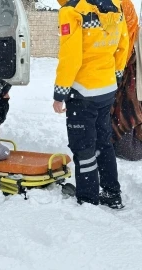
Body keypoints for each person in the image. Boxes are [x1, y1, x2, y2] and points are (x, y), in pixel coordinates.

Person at [53, 0, 129, 209]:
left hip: (83, 92)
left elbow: (71, 56)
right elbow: (123, 43)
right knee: (103, 142)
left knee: (84, 146)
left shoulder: (72, 11)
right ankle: (112, 193)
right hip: (106, 89)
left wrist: (60, 92)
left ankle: (88, 198)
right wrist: (116, 74)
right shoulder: (115, 5)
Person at [110, 0, 142, 161]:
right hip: (120, 63)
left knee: (128, 105)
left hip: (127, 63)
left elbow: (127, 36)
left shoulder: (122, 5)